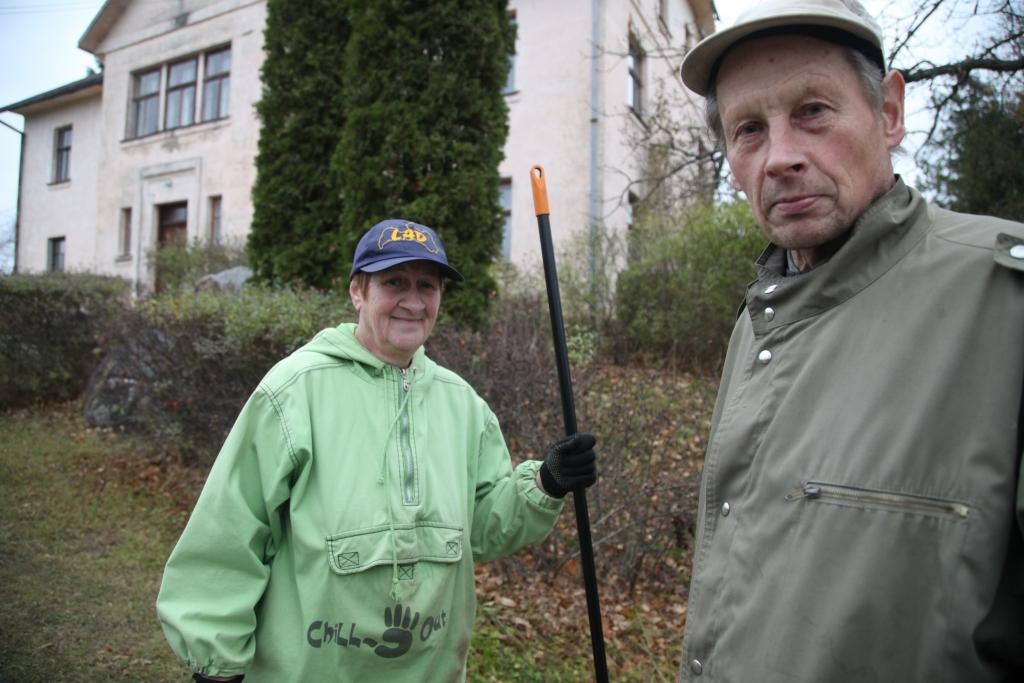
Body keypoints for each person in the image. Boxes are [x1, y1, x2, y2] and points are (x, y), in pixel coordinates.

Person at [676, 0, 1024, 680]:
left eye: (812, 111)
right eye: (748, 130)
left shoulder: (1004, 298)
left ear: (889, 112)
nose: (779, 158)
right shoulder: (755, 324)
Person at [156, 218, 598, 682]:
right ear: (357, 292)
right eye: (393, 282)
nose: (412, 300)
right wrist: (216, 663)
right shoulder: (294, 392)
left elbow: (483, 530)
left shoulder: (463, 405)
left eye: (427, 285)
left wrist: (546, 482)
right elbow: (230, 530)